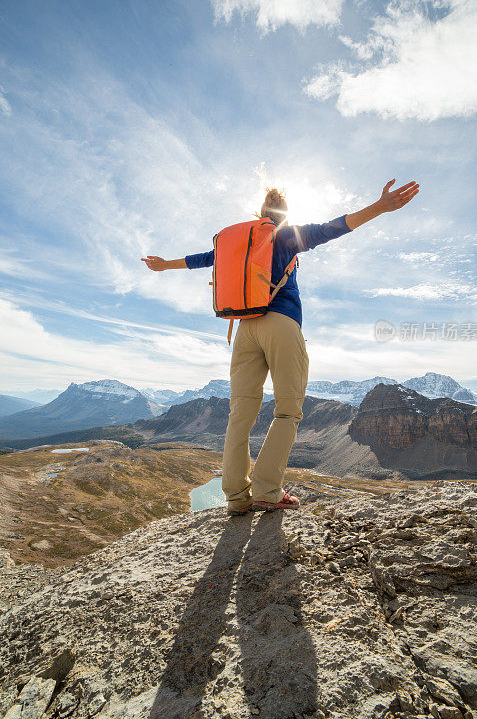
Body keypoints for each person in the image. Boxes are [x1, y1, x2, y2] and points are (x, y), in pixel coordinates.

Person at [142, 178, 419, 516]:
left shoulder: (237, 245)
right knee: (287, 410)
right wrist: (379, 207)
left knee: (239, 414)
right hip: (281, 322)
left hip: (244, 329)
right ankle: (268, 491)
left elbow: (201, 259)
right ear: (284, 215)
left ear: (259, 214)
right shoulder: (285, 235)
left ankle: (236, 497)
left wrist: (163, 264)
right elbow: (332, 228)